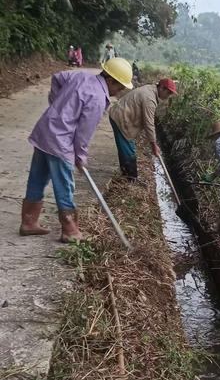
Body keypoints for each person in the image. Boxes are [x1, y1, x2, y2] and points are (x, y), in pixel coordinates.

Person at [19, 58, 134, 242]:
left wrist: (56, 106)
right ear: (111, 80)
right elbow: (83, 134)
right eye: (119, 88)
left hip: (45, 132)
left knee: (37, 178)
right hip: (60, 143)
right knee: (65, 186)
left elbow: (57, 78)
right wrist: (80, 156)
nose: (117, 93)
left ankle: (28, 222)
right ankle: (70, 231)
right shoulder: (97, 98)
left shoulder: (81, 76)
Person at [108, 78, 177, 181]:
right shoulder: (150, 99)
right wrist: (153, 144)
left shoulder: (150, 90)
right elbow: (149, 123)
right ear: (161, 88)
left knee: (126, 147)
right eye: (169, 92)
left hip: (122, 115)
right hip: (120, 117)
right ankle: (130, 177)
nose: (169, 95)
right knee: (128, 150)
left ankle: (128, 175)